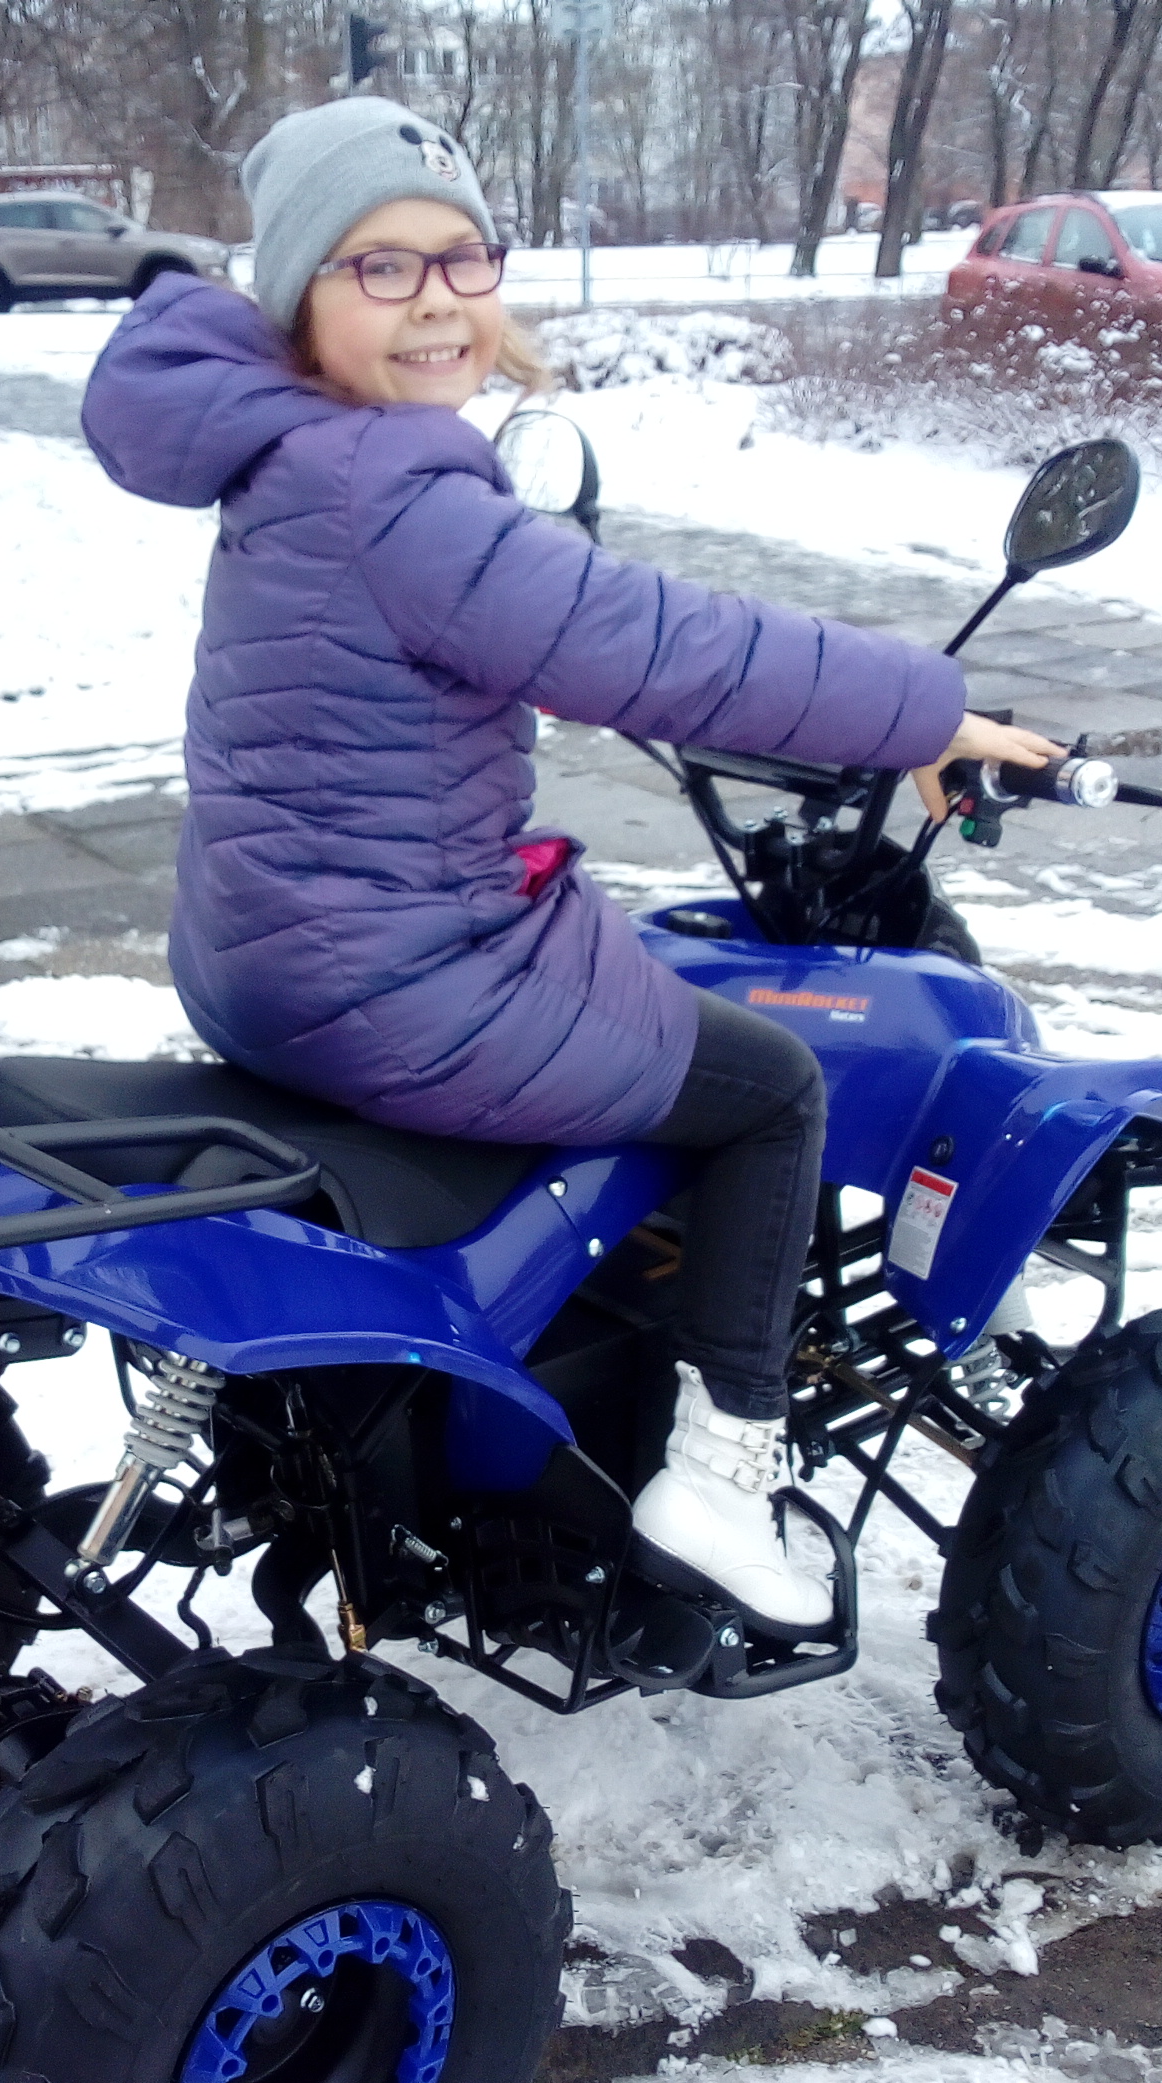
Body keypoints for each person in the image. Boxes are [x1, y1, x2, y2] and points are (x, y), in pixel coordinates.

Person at [81, 97, 1056, 1629]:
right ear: (297, 300)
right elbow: (665, 648)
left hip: (265, 958)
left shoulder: (289, 455)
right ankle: (719, 1477)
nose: (435, 301)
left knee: (622, 982)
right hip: (393, 985)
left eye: (461, 258)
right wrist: (931, 715)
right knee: (769, 1089)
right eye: (378, 266)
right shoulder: (392, 486)